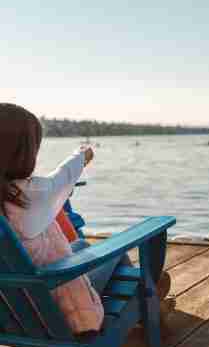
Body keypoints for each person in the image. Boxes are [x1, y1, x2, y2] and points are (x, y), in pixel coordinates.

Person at [0, 103, 173, 334]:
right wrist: (82, 155)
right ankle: (150, 303)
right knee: (115, 249)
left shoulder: (14, 195)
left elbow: (56, 184)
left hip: (11, 312)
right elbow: (61, 179)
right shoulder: (30, 195)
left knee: (81, 245)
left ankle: (150, 302)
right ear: (23, 151)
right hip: (52, 311)